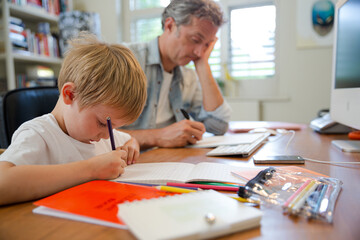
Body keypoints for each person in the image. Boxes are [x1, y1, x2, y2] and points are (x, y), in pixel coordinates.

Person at [0, 33, 147, 206]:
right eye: (102, 123)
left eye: (114, 127)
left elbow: (130, 139)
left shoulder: (101, 136)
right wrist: (91, 169)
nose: (108, 136)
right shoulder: (38, 134)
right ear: (70, 94)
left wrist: (130, 147)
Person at [120, 0, 232, 149]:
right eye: (196, 40)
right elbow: (93, 132)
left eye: (207, 44)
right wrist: (158, 136)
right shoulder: (123, 60)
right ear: (170, 25)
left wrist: (203, 64)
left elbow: (218, 125)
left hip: (168, 162)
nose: (199, 52)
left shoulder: (188, 76)